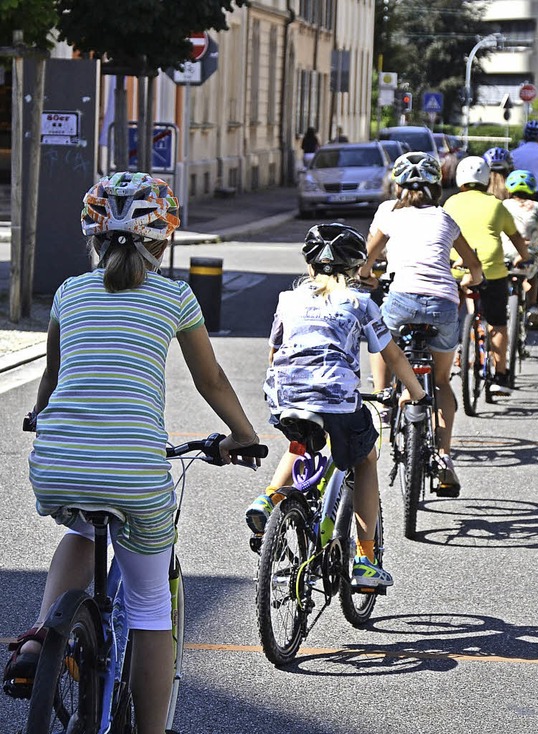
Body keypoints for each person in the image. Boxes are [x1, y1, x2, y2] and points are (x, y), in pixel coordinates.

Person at [3, 172, 261, 733]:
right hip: (135, 473)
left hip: (57, 464)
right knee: (148, 609)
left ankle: (48, 634)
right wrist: (244, 435)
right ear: (164, 242)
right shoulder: (174, 296)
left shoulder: (70, 293)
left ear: (92, 238)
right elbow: (211, 379)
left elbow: (53, 374)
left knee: (81, 529)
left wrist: (41, 416)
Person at [245, 223, 428, 587]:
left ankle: (268, 501)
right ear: (356, 269)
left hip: (286, 395)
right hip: (336, 399)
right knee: (365, 460)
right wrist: (416, 393)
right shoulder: (360, 303)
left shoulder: (287, 299)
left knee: (300, 444)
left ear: (310, 265)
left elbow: (274, 352)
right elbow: (391, 354)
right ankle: (364, 558)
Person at [360, 152, 484, 494]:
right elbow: (473, 265)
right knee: (442, 381)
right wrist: (473, 280)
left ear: (398, 185)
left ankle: (384, 400)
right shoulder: (445, 218)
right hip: (444, 302)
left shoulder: (389, 213)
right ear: (436, 187)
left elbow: (368, 257)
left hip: (401, 298)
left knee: (378, 336)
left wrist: (367, 277)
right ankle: (444, 458)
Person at [443, 156, 529, 397]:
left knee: (448, 313)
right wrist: (523, 256)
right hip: (491, 268)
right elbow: (515, 238)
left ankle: (448, 356)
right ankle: (500, 376)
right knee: (497, 322)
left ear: (460, 180)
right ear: (486, 180)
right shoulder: (496, 204)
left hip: (455, 267)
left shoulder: (450, 203)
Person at [502, 169, 538, 330]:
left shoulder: (503, 205)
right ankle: (533, 306)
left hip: (505, 256)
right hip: (527, 256)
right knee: (533, 274)